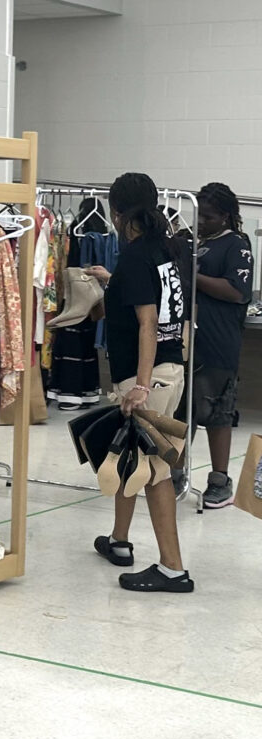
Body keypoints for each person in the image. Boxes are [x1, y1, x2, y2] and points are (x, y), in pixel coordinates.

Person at [86, 172, 194, 593]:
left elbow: (147, 322)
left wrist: (141, 386)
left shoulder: (134, 255)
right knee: (131, 458)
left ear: (116, 212)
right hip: (170, 368)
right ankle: (119, 540)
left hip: (147, 376)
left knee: (155, 471)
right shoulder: (164, 249)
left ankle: (172, 568)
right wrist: (111, 284)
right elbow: (155, 304)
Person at [174, 183, 254, 509]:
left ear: (226, 216)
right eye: (199, 216)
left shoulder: (237, 245)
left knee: (216, 410)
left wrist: (192, 277)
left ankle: (220, 479)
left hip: (218, 340)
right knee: (182, 409)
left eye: (208, 217)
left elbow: (236, 291)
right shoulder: (192, 241)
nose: (202, 222)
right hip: (185, 338)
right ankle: (177, 472)